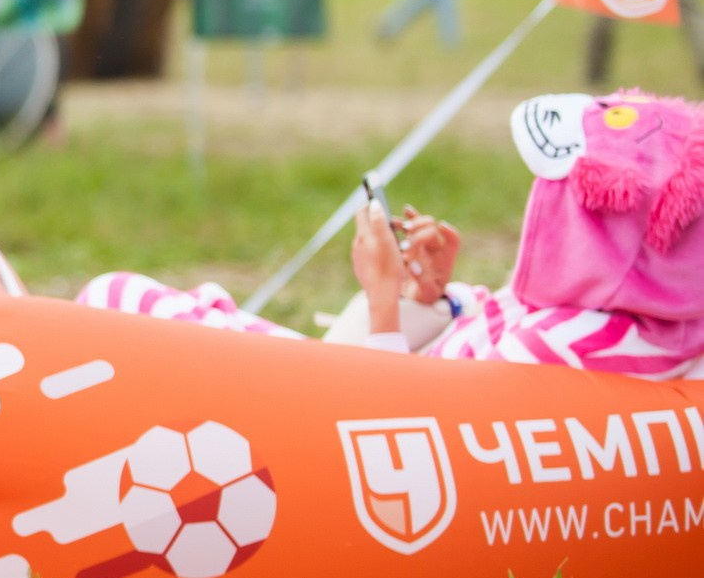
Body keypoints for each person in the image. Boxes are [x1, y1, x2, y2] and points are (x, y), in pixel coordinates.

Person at [78, 91, 704, 379]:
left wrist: (383, 303)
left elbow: (395, 428)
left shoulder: (557, 349)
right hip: (379, 364)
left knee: (117, 298)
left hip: (338, 402)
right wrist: (434, 296)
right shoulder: (643, 320)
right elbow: (494, 336)